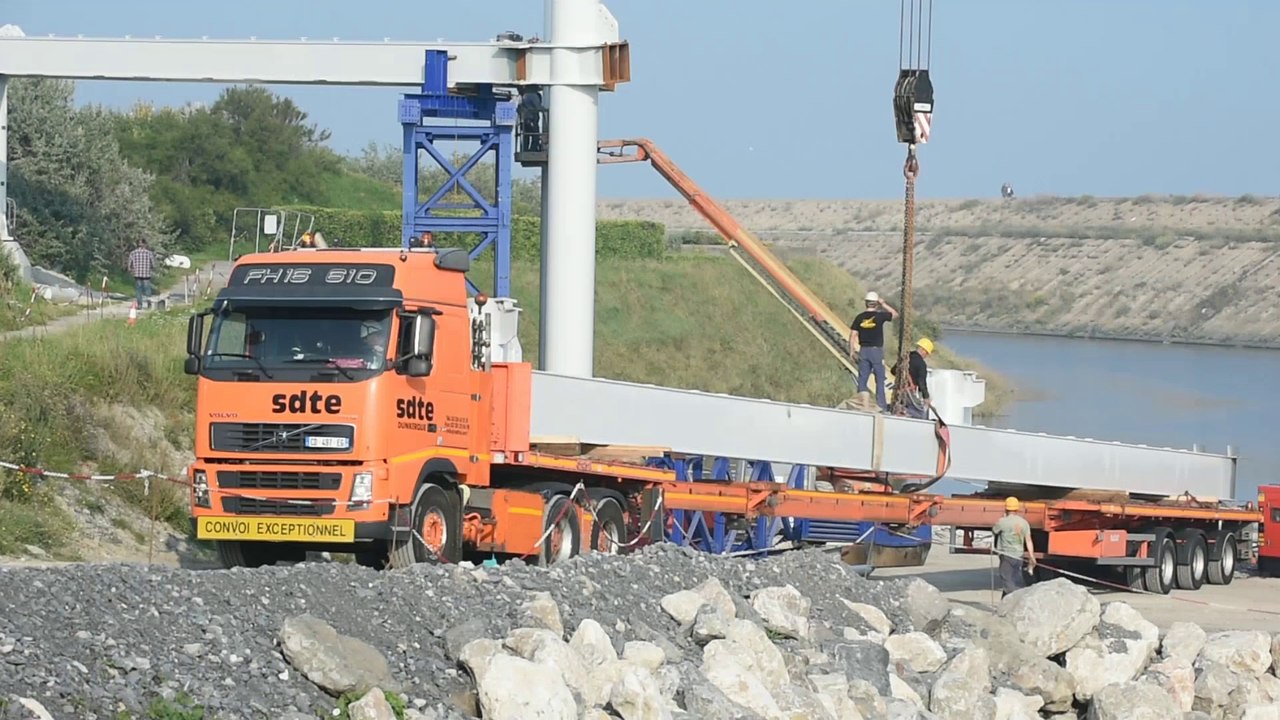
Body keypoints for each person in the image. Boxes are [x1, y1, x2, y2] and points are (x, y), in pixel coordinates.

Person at [850, 291, 899, 411]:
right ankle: (881, 406)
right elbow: (895, 314)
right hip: (876, 351)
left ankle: (862, 404)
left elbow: (853, 335)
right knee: (880, 379)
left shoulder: (859, 317)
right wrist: (883, 304)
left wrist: (851, 351)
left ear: (866, 303)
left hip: (863, 351)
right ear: (876, 303)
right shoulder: (880, 316)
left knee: (862, 379)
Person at [992, 496, 1037, 597]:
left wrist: (1002, 518)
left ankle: (1015, 601)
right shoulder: (1023, 522)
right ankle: (1005, 603)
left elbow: (994, 531)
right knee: (1014, 579)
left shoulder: (1002, 521)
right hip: (1018, 556)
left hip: (1006, 555)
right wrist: (1032, 556)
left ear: (1006, 508)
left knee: (1007, 580)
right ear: (1017, 509)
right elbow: (1028, 541)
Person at [899, 337, 934, 419]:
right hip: (909, 393)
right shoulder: (921, 364)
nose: (926, 355)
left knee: (900, 405)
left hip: (899, 390)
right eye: (927, 353)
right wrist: (926, 397)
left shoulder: (906, 357)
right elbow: (922, 383)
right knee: (920, 413)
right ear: (923, 350)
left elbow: (894, 371)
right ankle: (904, 412)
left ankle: (901, 411)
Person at [125, 240, 157, 309]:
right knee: (147, 289)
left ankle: (140, 305)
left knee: (138, 290)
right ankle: (149, 304)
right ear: (145, 244)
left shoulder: (133, 253)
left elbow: (129, 264)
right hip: (146, 274)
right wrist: (151, 268)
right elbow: (153, 264)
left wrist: (130, 269)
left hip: (137, 274)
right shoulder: (149, 253)